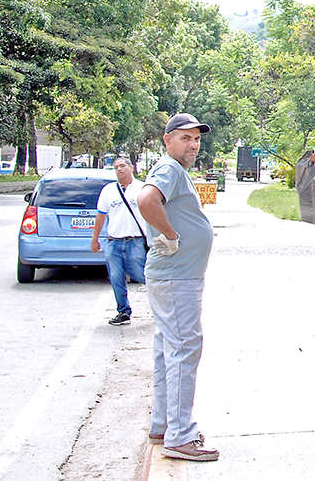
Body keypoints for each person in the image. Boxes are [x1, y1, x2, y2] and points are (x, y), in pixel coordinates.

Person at [137, 113, 220, 462]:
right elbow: (146, 201)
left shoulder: (174, 170)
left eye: (196, 139)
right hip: (176, 277)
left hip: (175, 276)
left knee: (168, 348)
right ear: (167, 139)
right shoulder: (169, 169)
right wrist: (171, 236)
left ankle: (163, 424)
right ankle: (181, 436)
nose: (193, 145)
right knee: (186, 347)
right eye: (185, 138)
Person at [90, 157, 146, 326]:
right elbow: (101, 216)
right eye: (116, 167)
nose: (119, 169)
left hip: (135, 241)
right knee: (116, 277)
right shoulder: (109, 190)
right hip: (114, 242)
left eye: (122, 166)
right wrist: (95, 239)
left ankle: (163, 307)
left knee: (142, 275)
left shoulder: (142, 188)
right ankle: (123, 311)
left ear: (131, 167)